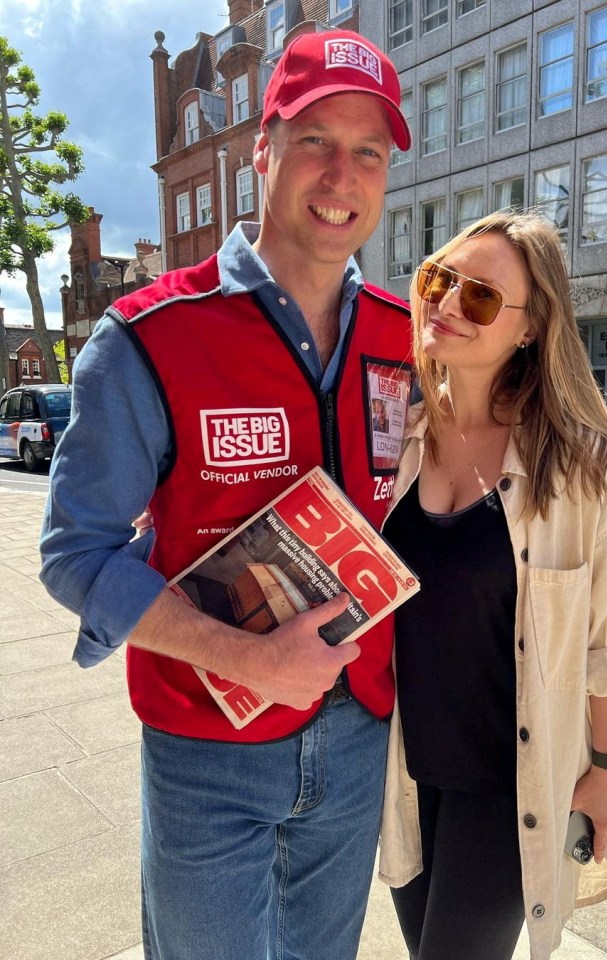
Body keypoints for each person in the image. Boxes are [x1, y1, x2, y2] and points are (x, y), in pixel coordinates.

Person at [39, 29, 414, 960]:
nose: (341, 175)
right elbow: (74, 554)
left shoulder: (411, 340)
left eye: (368, 150)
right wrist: (242, 658)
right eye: (315, 139)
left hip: (361, 734)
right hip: (207, 748)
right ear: (262, 150)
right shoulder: (149, 336)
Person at [377, 210, 607, 960]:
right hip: (403, 777)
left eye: (480, 297)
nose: (445, 303)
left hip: (515, 790)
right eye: (439, 281)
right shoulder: (392, 439)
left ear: (531, 328)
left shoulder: (585, 468)